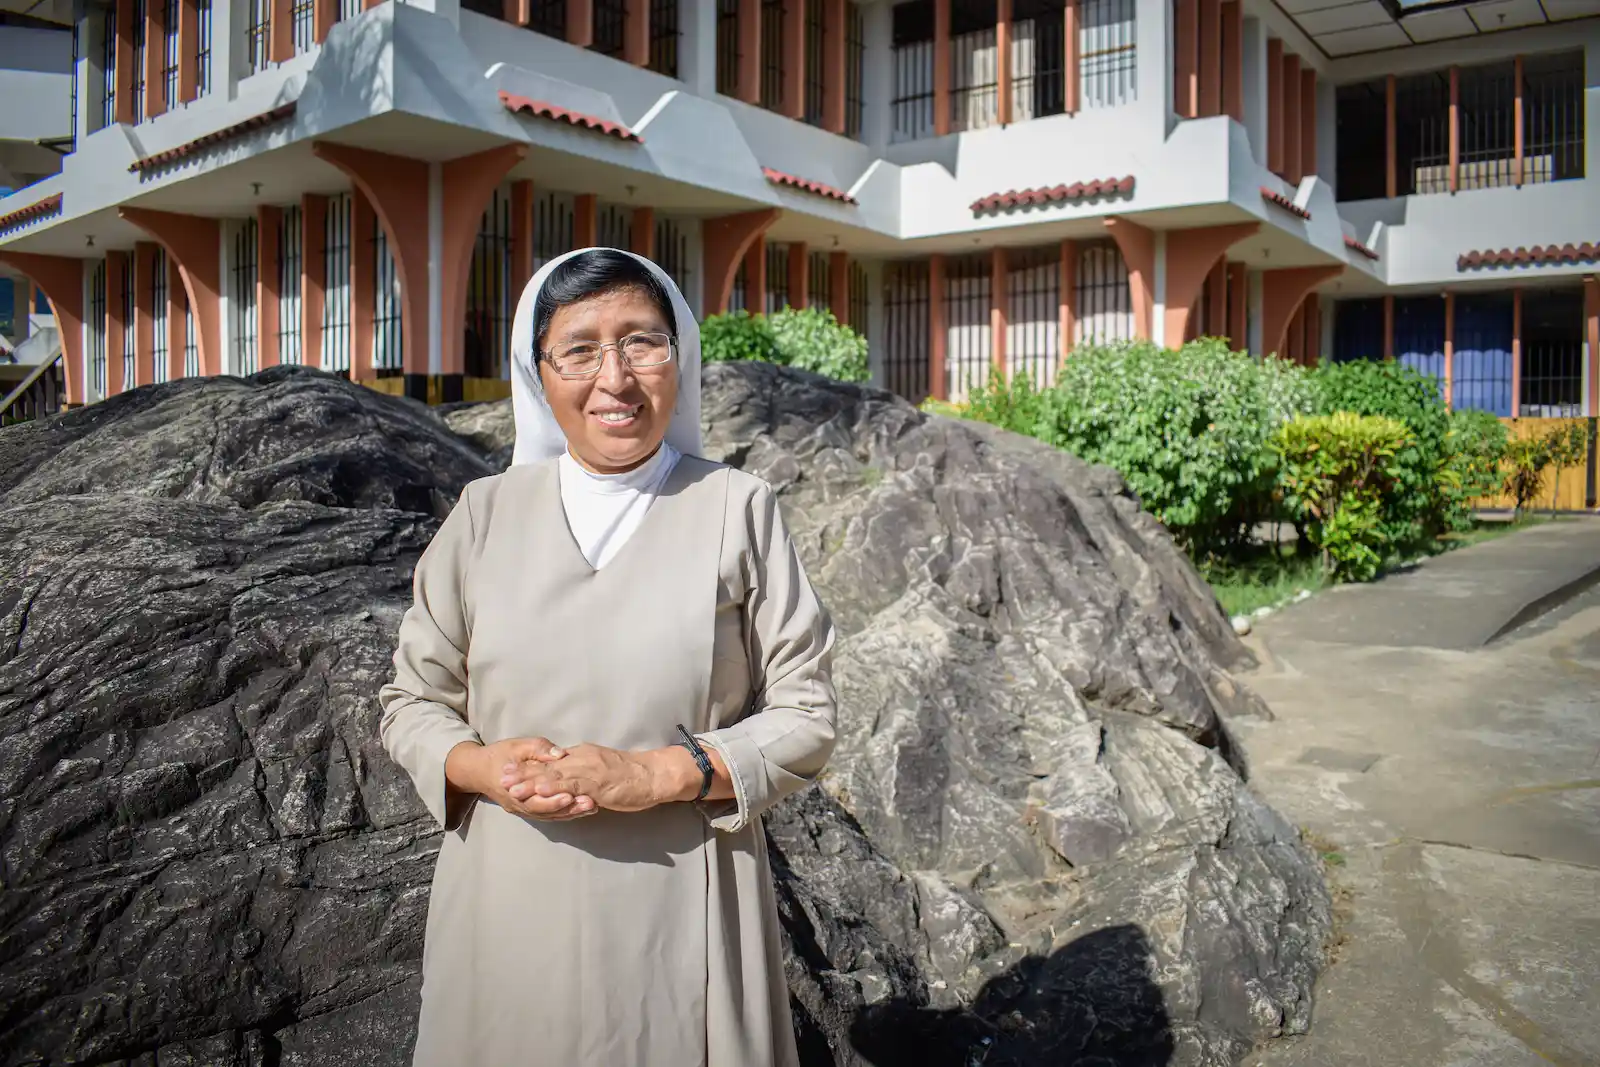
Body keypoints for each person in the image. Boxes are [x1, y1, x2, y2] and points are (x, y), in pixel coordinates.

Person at [377, 247, 837, 1067]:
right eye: (580, 348)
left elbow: (808, 716)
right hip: (509, 909)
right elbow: (411, 699)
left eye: (642, 342)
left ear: (678, 357)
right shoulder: (484, 516)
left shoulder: (738, 509)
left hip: (684, 907)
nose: (615, 378)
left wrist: (659, 775)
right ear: (539, 371)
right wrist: (478, 767)